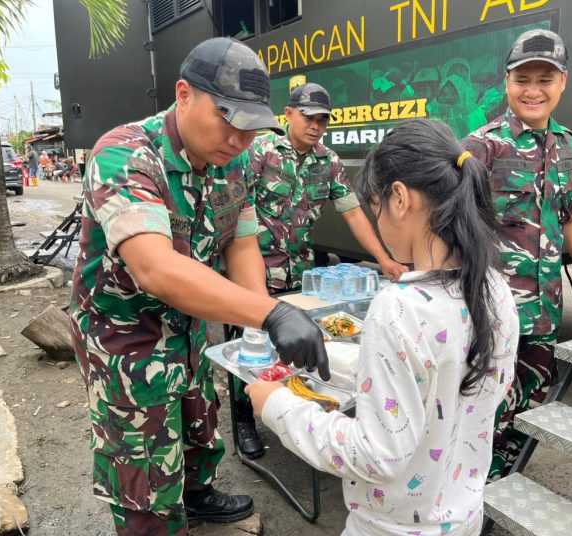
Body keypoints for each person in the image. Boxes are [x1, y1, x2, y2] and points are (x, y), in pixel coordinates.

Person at [69, 37, 330, 535]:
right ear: (184, 94)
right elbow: (157, 270)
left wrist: (259, 318)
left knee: (196, 417)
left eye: (250, 129)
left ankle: (198, 493)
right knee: (143, 459)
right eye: (227, 120)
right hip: (127, 338)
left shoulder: (234, 162)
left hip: (188, 326)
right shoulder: (125, 153)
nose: (238, 139)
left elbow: (241, 243)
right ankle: (153, 520)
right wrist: (270, 315)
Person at [246, 118, 519, 535]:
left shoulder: (398, 308)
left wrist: (277, 407)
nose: (375, 221)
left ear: (398, 198)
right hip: (463, 517)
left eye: (374, 208)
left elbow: (377, 455)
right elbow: (454, 390)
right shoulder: (495, 289)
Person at [461, 29, 572, 480]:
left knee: (533, 400)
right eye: (523, 79)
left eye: (545, 79)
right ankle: (468, 481)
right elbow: (451, 224)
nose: (533, 90)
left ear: (563, 82)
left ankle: (503, 476)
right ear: (506, 82)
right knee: (481, 401)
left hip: (546, 311)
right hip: (491, 309)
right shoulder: (481, 146)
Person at [248, 82, 407, 293]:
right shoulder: (261, 151)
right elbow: (240, 214)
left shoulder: (329, 161)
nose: (316, 126)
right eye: (308, 118)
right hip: (256, 274)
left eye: (322, 120)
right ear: (288, 114)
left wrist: (383, 260)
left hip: (301, 276)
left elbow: (353, 213)